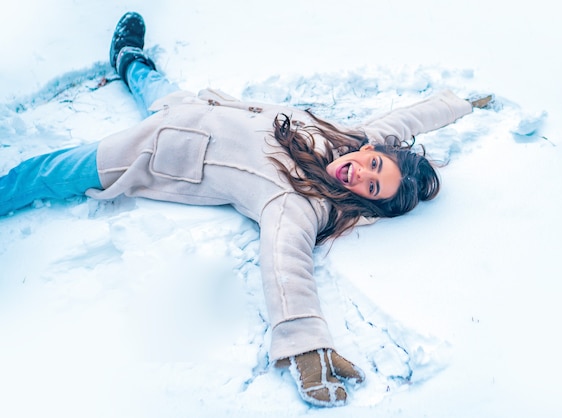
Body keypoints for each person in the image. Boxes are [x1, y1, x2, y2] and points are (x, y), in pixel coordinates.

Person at [0, 12, 491, 407]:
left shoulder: (302, 202)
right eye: (375, 165)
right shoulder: (352, 140)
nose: (362, 176)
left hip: (153, 152)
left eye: (374, 189)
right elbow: (404, 119)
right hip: (191, 108)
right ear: (372, 152)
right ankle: (129, 60)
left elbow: (286, 263)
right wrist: (461, 104)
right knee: (152, 85)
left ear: (369, 203)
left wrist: (304, 345)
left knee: (45, 172)